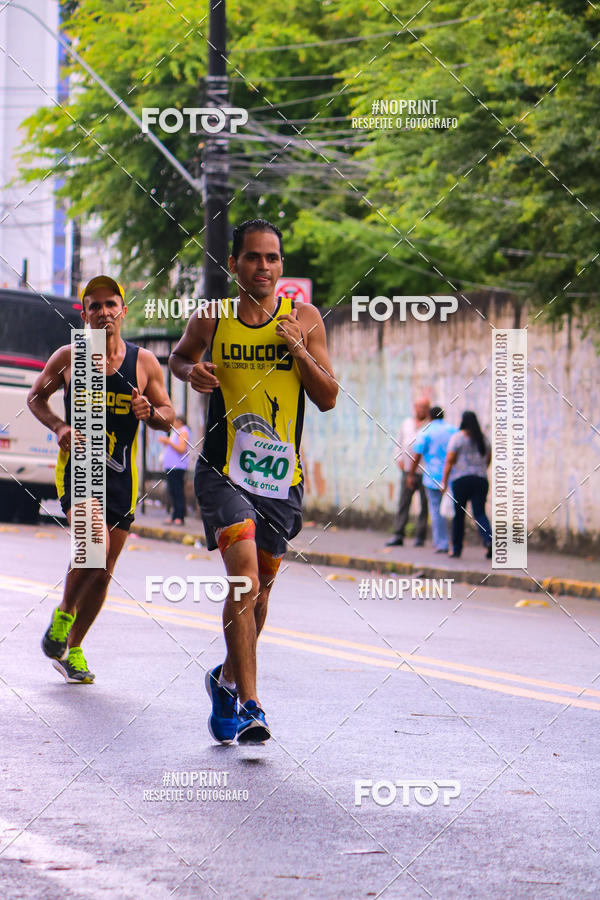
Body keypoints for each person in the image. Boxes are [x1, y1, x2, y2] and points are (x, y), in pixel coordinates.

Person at [169, 219, 338, 744]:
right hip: (222, 471)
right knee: (242, 577)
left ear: (281, 266)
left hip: (281, 477)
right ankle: (251, 703)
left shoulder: (303, 319)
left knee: (260, 594)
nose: (262, 267)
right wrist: (189, 372)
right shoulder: (213, 318)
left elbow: (328, 395)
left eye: (271, 258)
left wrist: (300, 351)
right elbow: (179, 357)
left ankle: (223, 679)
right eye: (252, 257)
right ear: (234, 264)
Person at [28, 276, 175, 683]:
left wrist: (151, 412)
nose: (104, 313)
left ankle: (72, 648)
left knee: (105, 568)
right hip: (79, 468)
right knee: (95, 544)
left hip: (121, 477)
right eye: (95, 306)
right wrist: (59, 427)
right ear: (84, 314)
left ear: (122, 310)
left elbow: (169, 416)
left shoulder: (143, 362)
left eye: (111, 304)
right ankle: (62, 617)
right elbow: (36, 397)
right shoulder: (69, 356)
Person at [442, 411, 492, 559]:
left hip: (461, 480)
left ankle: (456, 549)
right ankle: (488, 540)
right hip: (481, 480)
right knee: (479, 513)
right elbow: (488, 459)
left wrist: (444, 481)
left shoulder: (457, 438)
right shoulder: (483, 438)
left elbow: (450, 461)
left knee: (459, 516)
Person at [408, 406, 456, 553]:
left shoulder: (426, 431)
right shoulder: (453, 430)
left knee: (436, 510)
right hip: (452, 476)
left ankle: (441, 543)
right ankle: (456, 541)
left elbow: (417, 455)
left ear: (430, 416)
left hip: (432, 477)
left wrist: (411, 473)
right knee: (454, 509)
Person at [386, 397, 430, 547]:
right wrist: (399, 459)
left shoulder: (430, 425)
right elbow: (398, 443)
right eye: (420, 407)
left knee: (424, 506)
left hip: (424, 471)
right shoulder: (407, 423)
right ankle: (398, 534)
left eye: (425, 407)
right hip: (407, 470)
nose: (422, 410)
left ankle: (420, 537)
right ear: (415, 407)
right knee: (403, 503)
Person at [158, 413, 191, 525]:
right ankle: (174, 515)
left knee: (178, 491)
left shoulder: (183, 431)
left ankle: (179, 517)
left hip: (177, 467)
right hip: (171, 466)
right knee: (172, 491)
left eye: (175, 421)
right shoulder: (176, 432)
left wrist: (168, 442)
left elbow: (182, 449)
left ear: (180, 422)